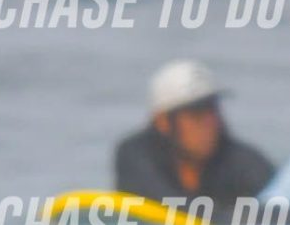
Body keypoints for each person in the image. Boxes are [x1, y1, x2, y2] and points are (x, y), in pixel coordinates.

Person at [112, 59, 276, 210]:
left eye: (213, 111)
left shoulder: (243, 162)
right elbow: (164, 202)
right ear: (163, 122)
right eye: (196, 114)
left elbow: (279, 210)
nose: (209, 124)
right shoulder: (136, 154)